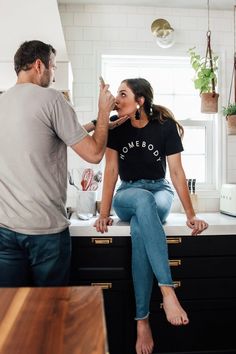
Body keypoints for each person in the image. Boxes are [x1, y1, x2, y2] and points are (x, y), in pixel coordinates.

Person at [94, 78, 209, 354]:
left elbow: (177, 173)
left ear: (140, 101)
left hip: (159, 192)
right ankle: (167, 292)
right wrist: (104, 213)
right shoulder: (115, 127)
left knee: (140, 227)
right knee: (141, 202)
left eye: (123, 94)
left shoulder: (165, 127)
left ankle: (142, 320)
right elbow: (110, 171)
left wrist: (191, 215)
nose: (117, 99)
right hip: (128, 193)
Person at [0, 39, 116, 287]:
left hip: (5, 230)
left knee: (11, 312)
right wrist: (104, 112)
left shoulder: (2, 102)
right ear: (39, 66)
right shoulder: (52, 99)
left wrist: (97, 124)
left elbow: (47, 135)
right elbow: (95, 154)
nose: (53, 77)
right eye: (53, 67)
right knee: (51, 312)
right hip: (46, 233)